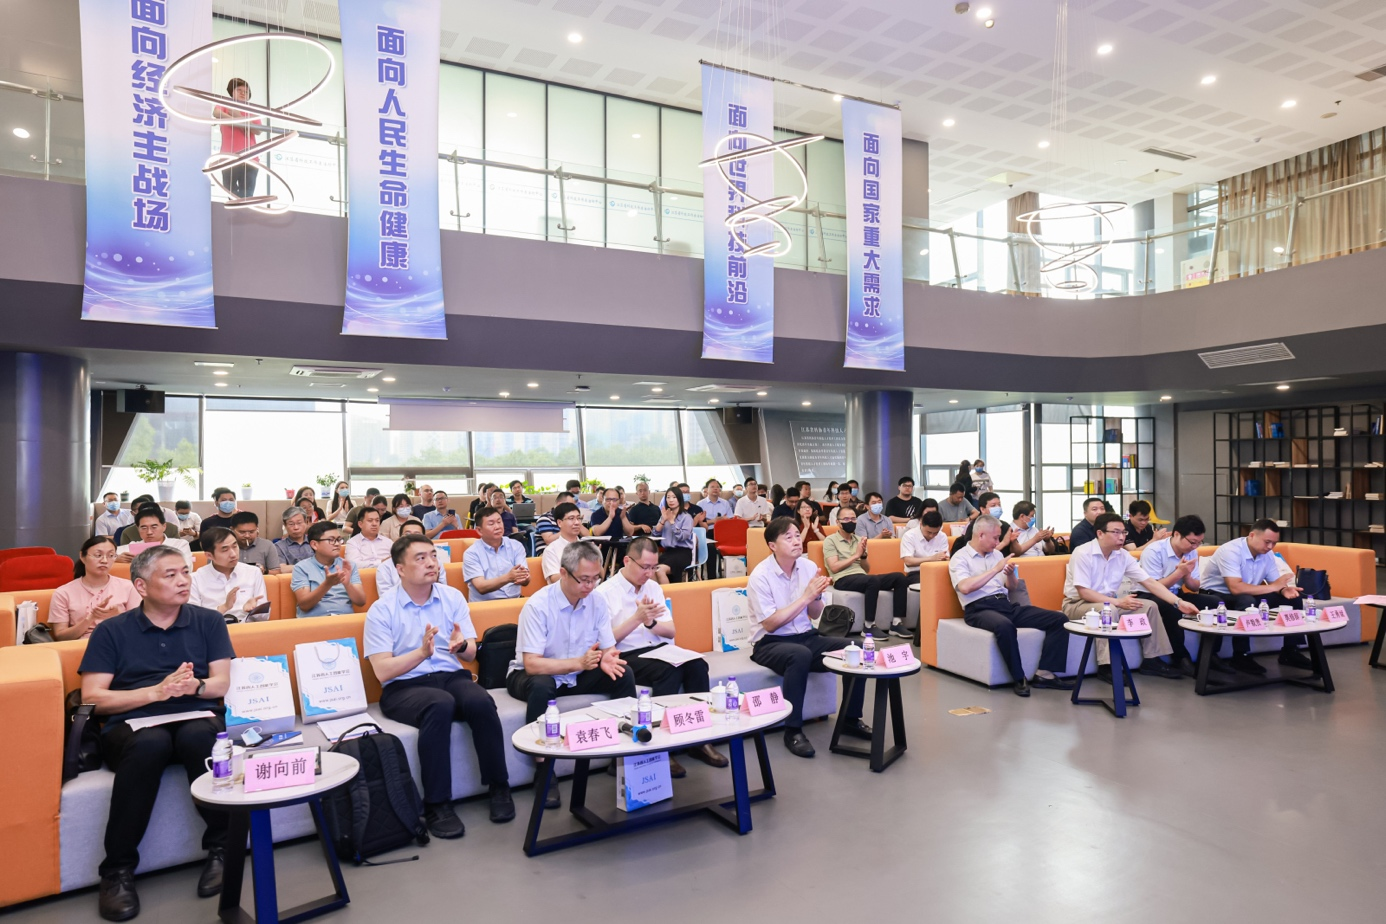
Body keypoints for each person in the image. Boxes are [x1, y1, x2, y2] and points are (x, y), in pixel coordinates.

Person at [79, 546, 234, 922]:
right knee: (151, 743)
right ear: (141, 586)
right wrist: (155, 693)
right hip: (133, 724)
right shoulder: (113, 630)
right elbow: (93, 698)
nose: (183, 581)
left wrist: (194, 687)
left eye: (186, 572)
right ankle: (117, 870)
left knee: (200, 737)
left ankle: (223, 850)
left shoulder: (209, 621)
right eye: (170, 574)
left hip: (195, 714)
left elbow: (220, 684)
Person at [366, 534, 514, 836]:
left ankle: (499, 786)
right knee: (439, 704)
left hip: (450, 676)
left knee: (480, 700)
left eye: (433, 555)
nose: (431, 563)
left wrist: (462, 646)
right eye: (420, 558)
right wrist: (421, 653)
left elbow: (470, 654)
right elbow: (382, 671)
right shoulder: (382, 610)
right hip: (404, 687)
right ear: (400, 569)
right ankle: (437, 804)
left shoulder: (452, 597)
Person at [507, 542, 637, 807]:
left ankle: (623, 757)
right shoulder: (538, 605)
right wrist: (580, 662)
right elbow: (532, 664)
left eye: (596, 578)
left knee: (623, 674)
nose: (590, 586)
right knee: (542, 687)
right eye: (584, 580)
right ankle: (544, 770)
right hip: (531, 674)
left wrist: (608, 659)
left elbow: (608, 647)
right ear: (564, 573)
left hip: (577, 672)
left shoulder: (596, 601)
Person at [594, 538, 726, 771]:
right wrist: (637, 619)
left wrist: (651, 623)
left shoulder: (653, 587)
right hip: (626, 653)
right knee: (668, 671)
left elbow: (670, 630)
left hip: (658, 649)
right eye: (644, 567)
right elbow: (604, 642)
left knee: (697, 664)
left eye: (653, 567)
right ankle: (662, 747)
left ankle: (699, 739)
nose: (649, 573)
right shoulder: (604, 593)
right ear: (627, 561)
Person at [748, 517, 870, 758]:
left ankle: (850, 719)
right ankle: (792, 730)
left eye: (797, 535)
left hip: (806, 636)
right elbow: (770, 624)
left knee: (855, 647)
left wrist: (815, 596)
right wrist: (805, 596)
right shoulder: (760, 576)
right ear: (772, 545)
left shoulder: (807, 567)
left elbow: (815, 613)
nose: (797, 541)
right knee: (799, 655)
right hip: (770, 643)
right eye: (789, 537)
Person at [947, 516, 1074, 697]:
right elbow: (965, 587)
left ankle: (1045, 674)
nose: (998, 542)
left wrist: (1009, 574)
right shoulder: (960, 557)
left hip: (1005, 605)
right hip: (978, 608)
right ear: (981, 535)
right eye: (995, 538)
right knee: (1004, 626)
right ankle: (1019, 678)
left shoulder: (997, 555)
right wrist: (995, 570)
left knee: (1059, 619)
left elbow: (1011, 587)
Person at [1061, 513, 1196, 681]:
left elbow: (1149, 582)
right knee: (1108, 610)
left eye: (1124, 532)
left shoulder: (1123, 555)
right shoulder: (1083, 552)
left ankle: (1152, 660)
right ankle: (1107, 666)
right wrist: (1118, 602)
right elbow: (1084, 592)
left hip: (1108, 602)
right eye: (1116, 532)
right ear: (1100, 533)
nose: (1121, 537)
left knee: (1149, 606)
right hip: (1077, 604)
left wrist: (1178, 602)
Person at [1199, 519, 1311, 674]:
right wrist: (1274, 587)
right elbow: (1235, 588)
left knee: (1294, 599)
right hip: (1216, 595)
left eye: (1274, 543)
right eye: (1267, 542)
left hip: (1248, 593)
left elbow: (1274, 583)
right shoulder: (1230, 551)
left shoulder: (1267, 554)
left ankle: (1290, 651)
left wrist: (1284, 590)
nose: (1270, 547)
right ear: (1252, 535)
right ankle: (1241, 656)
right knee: (1247, 602)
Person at [1137, 514, 1221, 677]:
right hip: (1148, 595)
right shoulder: (1154, 551)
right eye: (1192, 542)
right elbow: (1154, 587)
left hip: (1176, 593)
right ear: (1176, 534)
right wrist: (1179, 573)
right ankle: (1180, 658)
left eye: (1199, 542)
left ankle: (1211, 655)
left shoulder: (1191, 552)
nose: (1195, 546)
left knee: (1215, 602)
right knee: (1172, 608)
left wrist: (1187, 575)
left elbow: (1195, 587)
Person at [823, 506, 912, 638]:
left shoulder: (859, 540)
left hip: (861, 576)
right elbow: (834, 567)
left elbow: (866, 569)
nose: (850, 522)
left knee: (899, 578)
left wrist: (863, 556)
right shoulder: (830, 540)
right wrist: (856, 555)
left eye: (853, 519)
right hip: (842, 579)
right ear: (838, 522)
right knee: (872, 580)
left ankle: (896, 623)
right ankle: (869, 626)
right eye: (846, 519)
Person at [48, 536, 142, 641]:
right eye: (98, 555)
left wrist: (119, 616)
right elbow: (61, 636)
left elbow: (139, 628)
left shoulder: (128, 587)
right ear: (82, 556)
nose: (105, 560)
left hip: (119, 643)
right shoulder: (63, 593)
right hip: (81, 647)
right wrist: (90, 619)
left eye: (111, 556)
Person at [190, 527, 267, 621]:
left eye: (235, 546)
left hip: (246, 628)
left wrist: (253, 611)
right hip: (212, 629)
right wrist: (224, 608)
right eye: (225, 550)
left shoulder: (253, 572)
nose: (233, 554)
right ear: (209, 555)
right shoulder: (194, 579)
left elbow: (264, 618)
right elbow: (194, 620)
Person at [293, 521, 366, 617]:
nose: (337, 544)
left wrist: (348, 584)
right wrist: (327, 584)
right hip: (316, 622)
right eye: (331, 540)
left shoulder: (348, 566)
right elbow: (304, 605)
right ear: (314, 544)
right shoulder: (301, 568)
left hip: (344, 620)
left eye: (339, 539)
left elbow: (361, 602)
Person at [462, 506, 530, 601]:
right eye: (491, 524)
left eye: (499, 522)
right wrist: (508, 577)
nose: (497, 527)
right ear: (479, 530)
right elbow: (481, 587)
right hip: (485, 605)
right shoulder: (471, 553)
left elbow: (526, 580)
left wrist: (524, 578)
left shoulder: (516, 546)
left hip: (514, 601)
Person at [211, 77, 262, 199]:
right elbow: (216, 113)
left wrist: (236, 116)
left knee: (247, 197)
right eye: (239, 90)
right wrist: (241, 122)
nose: (243, 93)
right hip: (229, 158)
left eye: (246, 91)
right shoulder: (225, 104)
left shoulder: (251, 111)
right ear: (232, 91)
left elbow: (258, 130)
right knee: (231, 196)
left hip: (250, 158)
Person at [374, 520, 446, 598]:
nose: (412, 539)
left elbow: (443, 591)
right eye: (407, 534)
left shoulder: (435, 562)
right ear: (399, 538)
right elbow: (386, 598)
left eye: (417, 535)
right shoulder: (385, 567)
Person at [117, 507, 193, 571]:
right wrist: (116, 558)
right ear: (138, 528)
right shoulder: (134, 546)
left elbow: (186, 568)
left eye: (154, 527)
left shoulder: (179, 545)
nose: (149, 532)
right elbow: (111, 553)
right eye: (144, 528)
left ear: (164, 527)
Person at [656, 486, 696, 581]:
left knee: (659, 570)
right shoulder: (665, 515)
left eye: (674, 497)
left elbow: (682, 536)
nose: (671, 500)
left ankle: (669, 591)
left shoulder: (686, 517)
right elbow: (655, 534)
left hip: (683, 553)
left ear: (679, 499)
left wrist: (672, 522)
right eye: (668, 497)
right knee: (650, 570)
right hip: (668, 552)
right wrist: (663, 520)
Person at [541, 502, 586, 583]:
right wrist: (580, 571)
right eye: (571, 518)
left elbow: (601, 576)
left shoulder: (586, 547)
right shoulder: (551, 550)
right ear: (559, 523)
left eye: (578, 518)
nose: (577, 522)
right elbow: (554, 579)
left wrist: (596, 559)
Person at [901, 510, 951, 583]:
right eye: (929, 532)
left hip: (937, 571)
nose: (931, 535)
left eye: (935, 533)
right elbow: (908, 561)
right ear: (921, 524)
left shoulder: (942, 536)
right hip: (916, 573)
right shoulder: (909, 536)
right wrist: (932, 558)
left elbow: (946, 558)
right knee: (929, 582)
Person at [589, 489, 632, 554]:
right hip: (601, 549)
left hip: (620, 548)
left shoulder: (623, 513)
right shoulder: (596, 514)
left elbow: (630, 533)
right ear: (603, 500)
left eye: (614, 500)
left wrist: (623, 518)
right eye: (608, 500)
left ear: (619, 501)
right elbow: (597, 533)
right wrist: (610, 517)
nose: (611, 503)